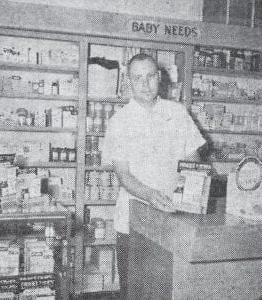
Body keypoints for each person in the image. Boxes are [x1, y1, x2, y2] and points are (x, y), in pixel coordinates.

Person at [101, 53, 206, 299]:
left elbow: (193, 160)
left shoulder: (177, 113)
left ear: (159, 78)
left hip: (175, 218)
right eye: (138, 78)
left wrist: (193, 191)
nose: (145, 84)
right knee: (136, 291)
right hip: (134, 221)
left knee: (171, 289)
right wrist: (150, 194)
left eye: (150, 76)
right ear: (128, 82)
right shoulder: (120, 121)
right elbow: (123, 174)